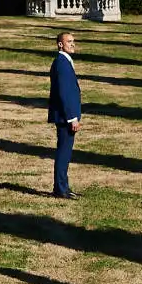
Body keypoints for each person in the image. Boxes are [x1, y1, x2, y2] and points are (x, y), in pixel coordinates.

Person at [45, 30, 82, 198]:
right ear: (60, 44)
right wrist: (72, 118)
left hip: (66, 116)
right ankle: (60, 188)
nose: (72, 44)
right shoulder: (61, 63)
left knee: (65, 153)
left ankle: (64, 186)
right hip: (65, 117)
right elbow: (64, 93)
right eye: (69, 41)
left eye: (73, 41)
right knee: (63, 153)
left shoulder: (65, 61)